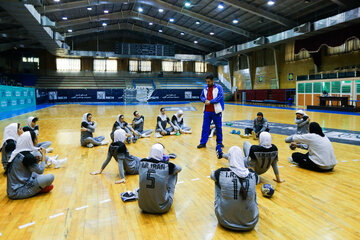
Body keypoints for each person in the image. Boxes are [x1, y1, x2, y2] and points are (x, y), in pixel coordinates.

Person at [211, 146, 259, 231]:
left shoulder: (221, 172)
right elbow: (258, 180)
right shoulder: (253, 174)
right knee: (253, 186)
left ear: (229, 158)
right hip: (251, 222)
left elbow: (212, 176)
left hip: (225, 221)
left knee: (217, 181)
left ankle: (227, 210)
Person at [6, 131, 54, 199]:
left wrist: (36, 161)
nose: (37, 140)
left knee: (40, 177)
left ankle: (38, 187)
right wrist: (43, 155)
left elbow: (26, 168)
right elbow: (41, 171)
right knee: (50, 177)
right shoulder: (27, 156)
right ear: (31, 141)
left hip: (13, 189)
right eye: (36, 138)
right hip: (18, 192)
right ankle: (38, 189)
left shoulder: (18, 152)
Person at [219, 132, 284, 183]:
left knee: (236, 155)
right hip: (264, 170)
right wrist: (278, 179)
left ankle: (221, 155)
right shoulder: (274, 148)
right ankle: (223, 155)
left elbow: (251, 165)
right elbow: (274, 164)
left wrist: (252, 179)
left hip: (253, 168)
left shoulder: (255, 149)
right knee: (246, 143)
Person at [138, 143, 182, 214]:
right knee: (174, 173)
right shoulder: (167, 166)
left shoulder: (141, 162)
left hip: (143, 206)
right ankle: (165, 193)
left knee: (145, 175)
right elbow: (179, 168)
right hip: (162, 208)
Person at [198, 74, 224, 148]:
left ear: (213, 81)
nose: (207, 83)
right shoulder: (205, 88)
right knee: (205, 127)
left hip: (216, 111)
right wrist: (204, 100)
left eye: (209, 82)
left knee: (218, 127)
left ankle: (219, 142)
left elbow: (220, 97)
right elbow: (202, 96)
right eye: (206, 81)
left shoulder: (219, 87)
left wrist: (210, 102)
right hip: (207, 111)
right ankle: (203, 143)